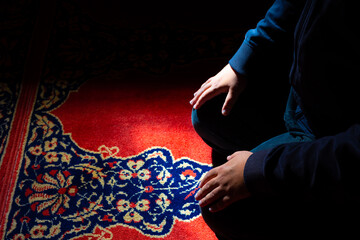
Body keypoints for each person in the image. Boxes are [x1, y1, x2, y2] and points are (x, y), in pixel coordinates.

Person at [190, 0, 360, 239]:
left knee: (223, 210)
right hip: (302, 98)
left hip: (331, 138)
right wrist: (242, 63)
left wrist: (262, 169)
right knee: (209, 111)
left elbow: (354, 153)